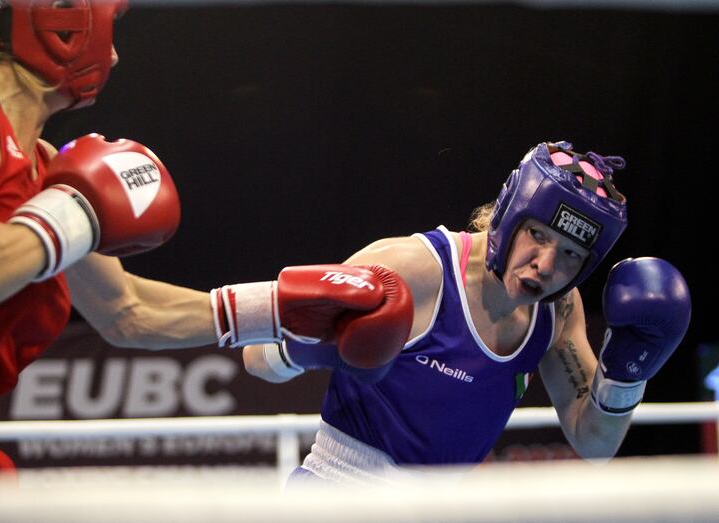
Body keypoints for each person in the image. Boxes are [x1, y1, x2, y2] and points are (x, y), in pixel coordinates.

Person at [0, 0, 414, 475]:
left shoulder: (48, 167)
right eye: (111, 25)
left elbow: (128, 311)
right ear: (64, 20)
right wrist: (76, 212)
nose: (113, 54)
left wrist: (282, 309)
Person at [242, 141, 693, 486]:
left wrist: (628, 373)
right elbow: (255, 357)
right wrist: (302, 345)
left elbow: (594, 442)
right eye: (537, 234)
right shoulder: (413, 269)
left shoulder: (558, 311)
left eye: (572, 254)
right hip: (340, 488)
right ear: (509, 214)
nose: (546, 264)